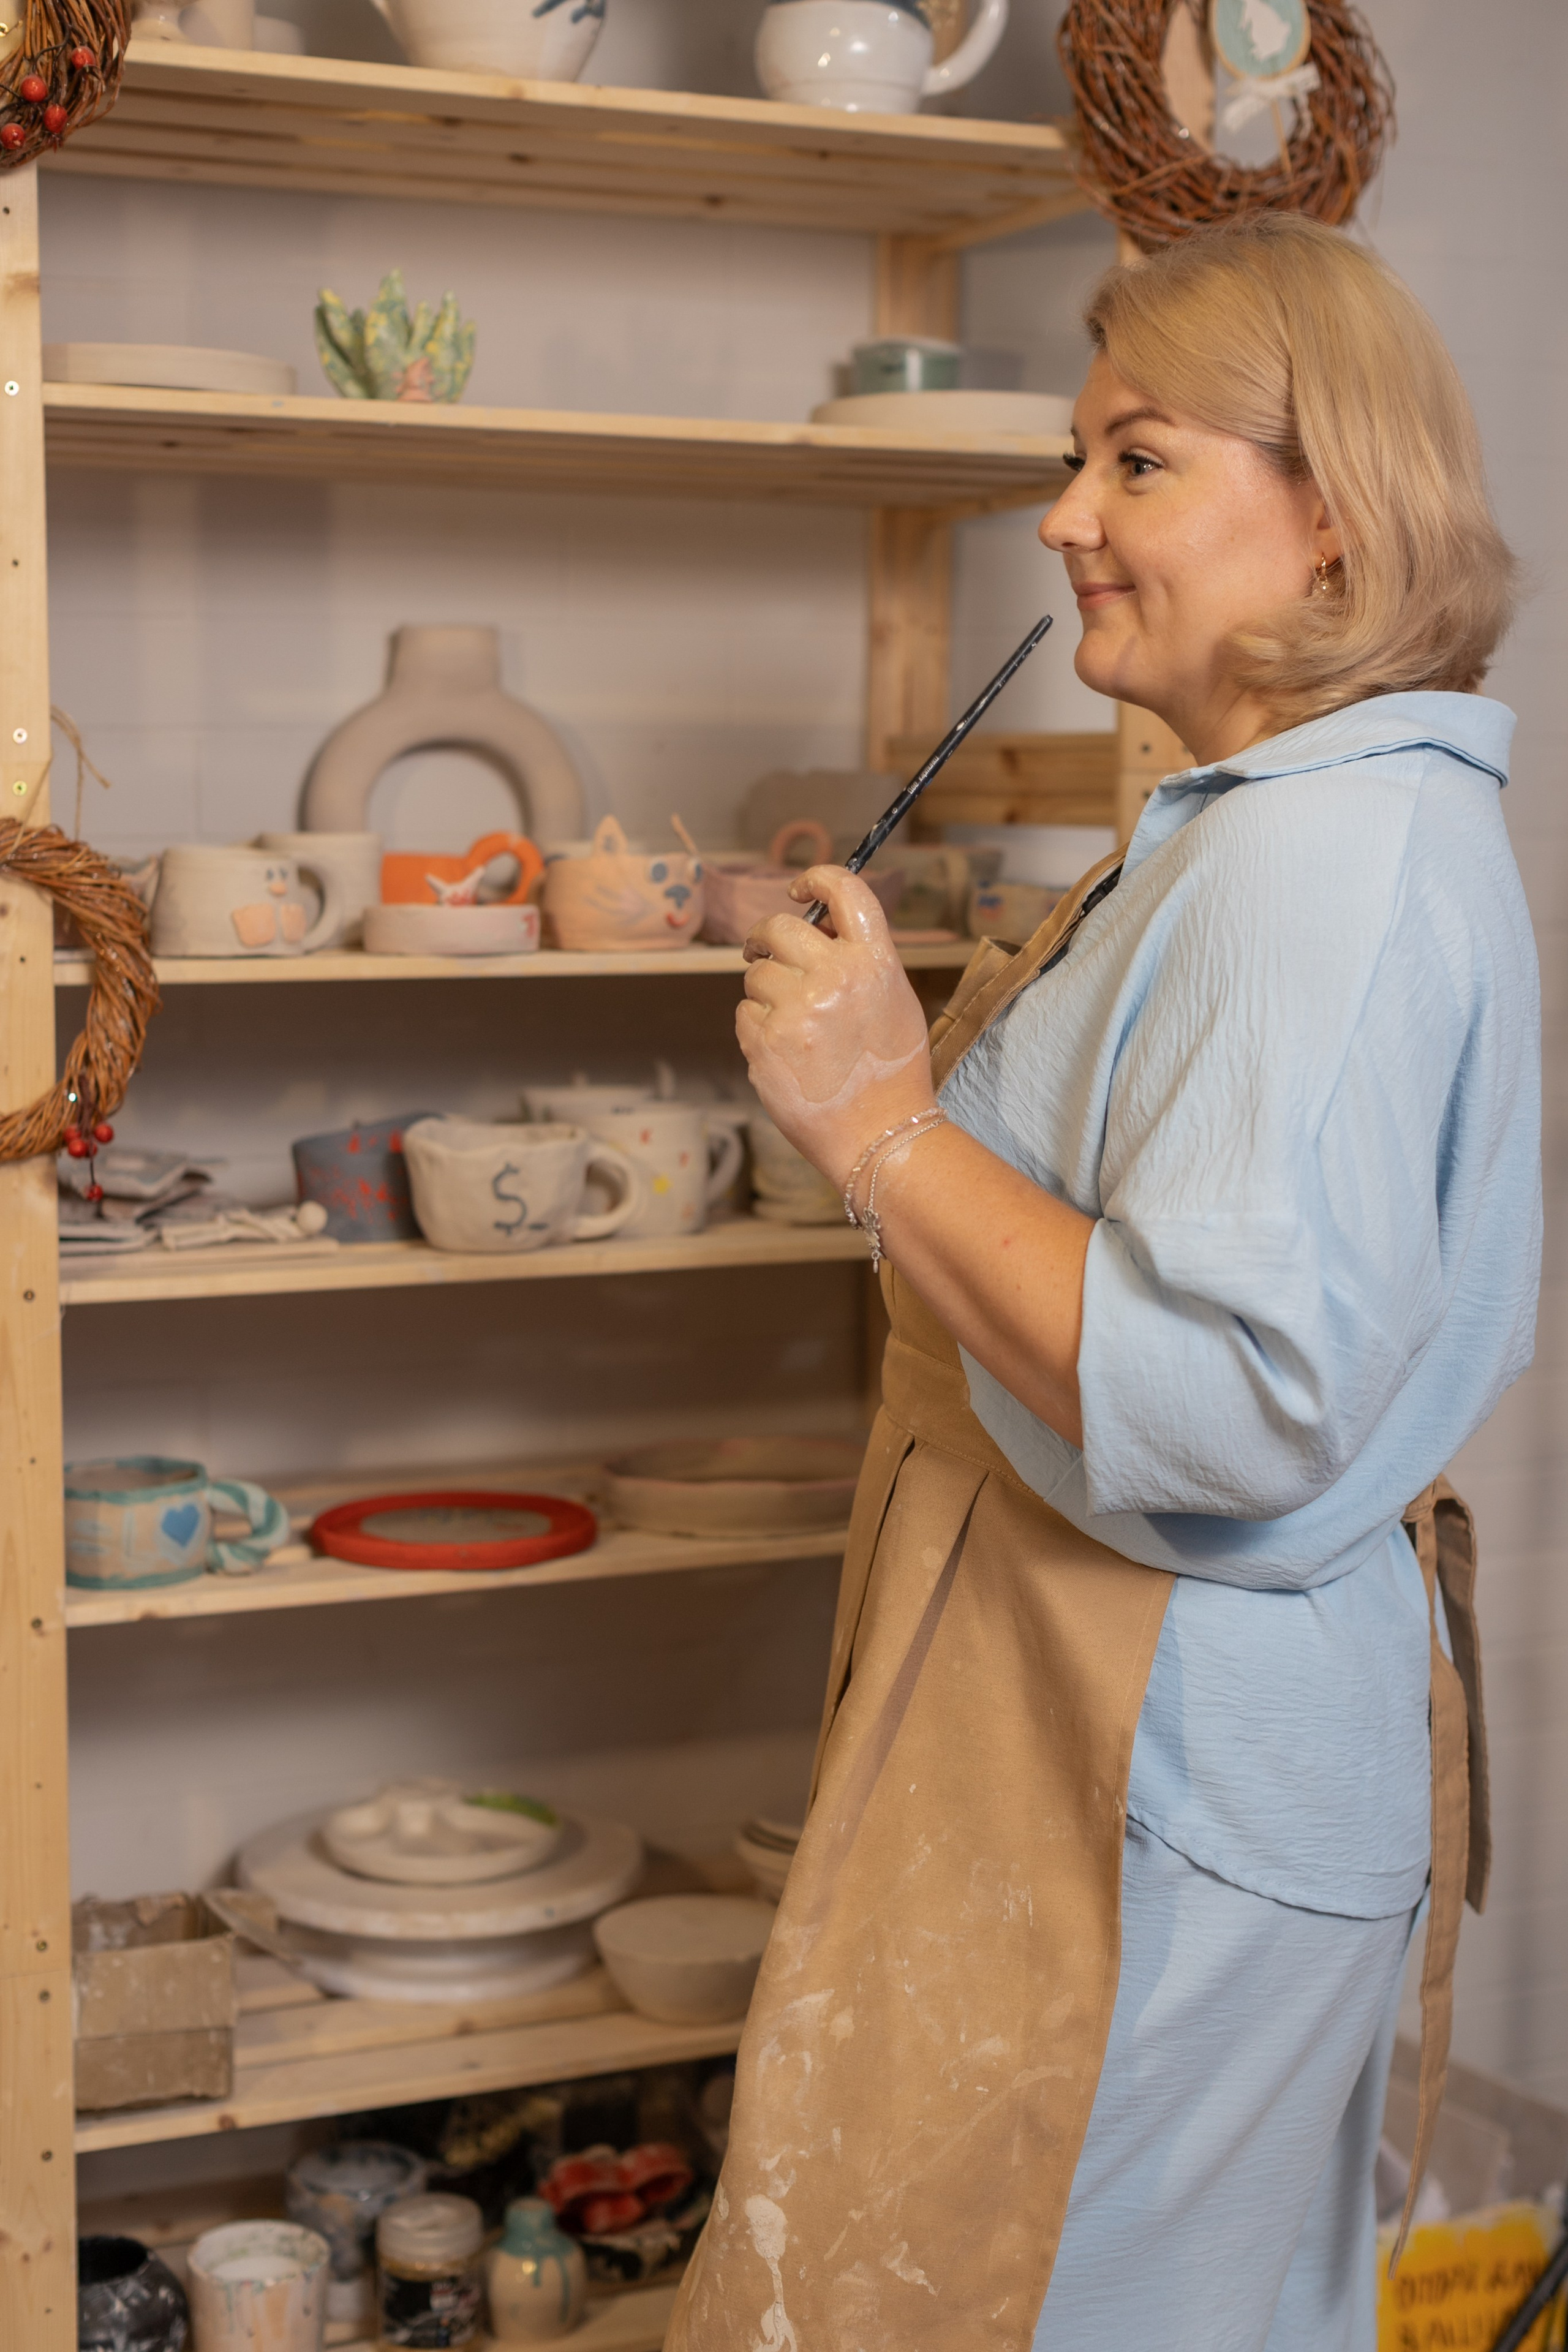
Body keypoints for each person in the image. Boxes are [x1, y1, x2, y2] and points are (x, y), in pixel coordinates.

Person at [665, 214, 1540, 2352]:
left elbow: (1236, 1402)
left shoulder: (1315, 867)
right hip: (1123, 1741)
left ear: (1332, 516)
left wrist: (884, 1122)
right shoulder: (1279, 822)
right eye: (1082, 458)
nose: (1063, 517)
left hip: (1153, 1758)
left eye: (1136, 461)